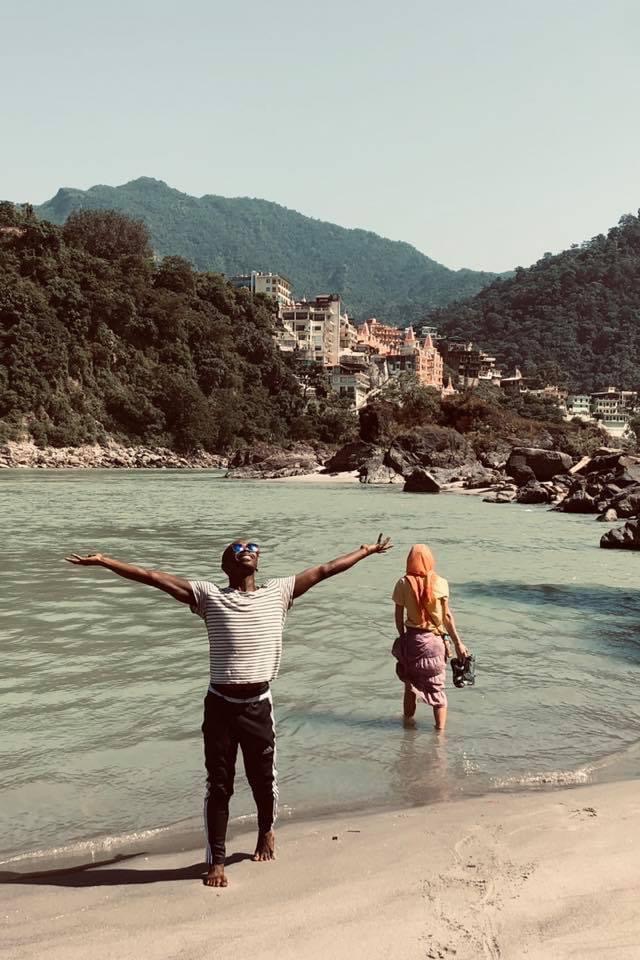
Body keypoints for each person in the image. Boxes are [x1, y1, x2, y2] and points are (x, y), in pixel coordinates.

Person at [65, 533, 392, 888]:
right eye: (237, 549)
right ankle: (216, 860)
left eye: (252, 548)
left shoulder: (278, 592)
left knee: (263, 782)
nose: (246, 551)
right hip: (220, 705)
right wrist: (105, 561)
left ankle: (266, 830)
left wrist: (365, 550)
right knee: (219, 786)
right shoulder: (208, 596)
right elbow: (154, 577)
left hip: (258, 706)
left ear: (258, 561)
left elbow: (326, 569)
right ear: (226, 565)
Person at [392, 544, 467, 732]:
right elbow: (447, 616)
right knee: (437, 689)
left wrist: (403, 639)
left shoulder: (403, 583)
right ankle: (440, 736)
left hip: (413, 641)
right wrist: (458, 643)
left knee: (410, 687)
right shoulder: (441, 582)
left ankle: (407, 727)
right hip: (435, 642)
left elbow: (398, 617)